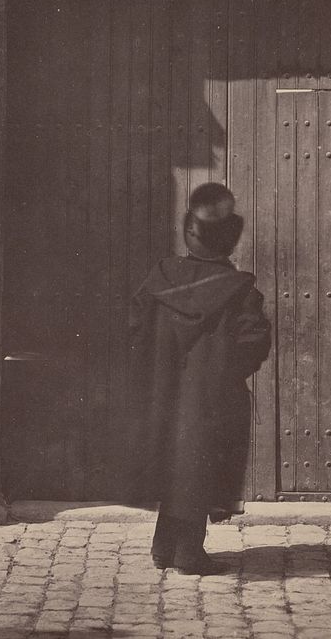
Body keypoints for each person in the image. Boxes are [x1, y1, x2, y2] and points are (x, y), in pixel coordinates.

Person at [126, 183, 271, 575]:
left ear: (190, 232)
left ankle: (163, 546)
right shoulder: (240, 290)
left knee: (175, 463)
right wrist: (224, 373)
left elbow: (135, 330)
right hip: (212, 397)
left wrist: (156, 370)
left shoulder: (160, 276)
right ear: (229, 241)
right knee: (199, 466)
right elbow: (254, 342)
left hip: (163, 393)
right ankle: (189, 553)